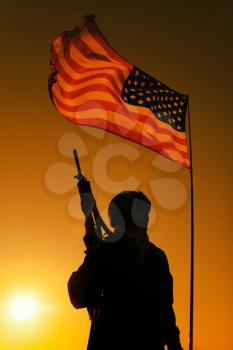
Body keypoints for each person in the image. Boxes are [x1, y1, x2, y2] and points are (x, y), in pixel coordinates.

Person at [68, 190, 183, 350]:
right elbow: (78, 297)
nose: (146, 217)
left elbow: (164, 308)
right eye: (141, 211)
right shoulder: (108, 250)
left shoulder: (156, 256)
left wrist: (174, 343)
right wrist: (93, 256)